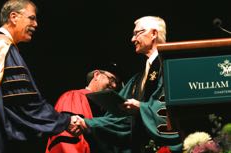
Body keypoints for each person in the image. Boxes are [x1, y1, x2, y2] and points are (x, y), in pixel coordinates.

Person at [0, 0, 82, 153]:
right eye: (32, 18)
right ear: (14, 17)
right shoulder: (2, 48)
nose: (36, 24)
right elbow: (23, 101)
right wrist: (65, 121)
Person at [77, 16, 182, 153]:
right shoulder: (136, 80)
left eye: (137, 33)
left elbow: (169, 108)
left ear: (154, 34)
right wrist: (87, 123)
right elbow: (117, 116)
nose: (133, 39)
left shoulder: (171, 66)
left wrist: (141, 108)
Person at [45, 63, 123, 153]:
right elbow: (66, 139)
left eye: (116, 83)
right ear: (97, 75)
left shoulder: (108, 110)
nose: (114, 86)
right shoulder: (74, 96)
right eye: (111, 79)